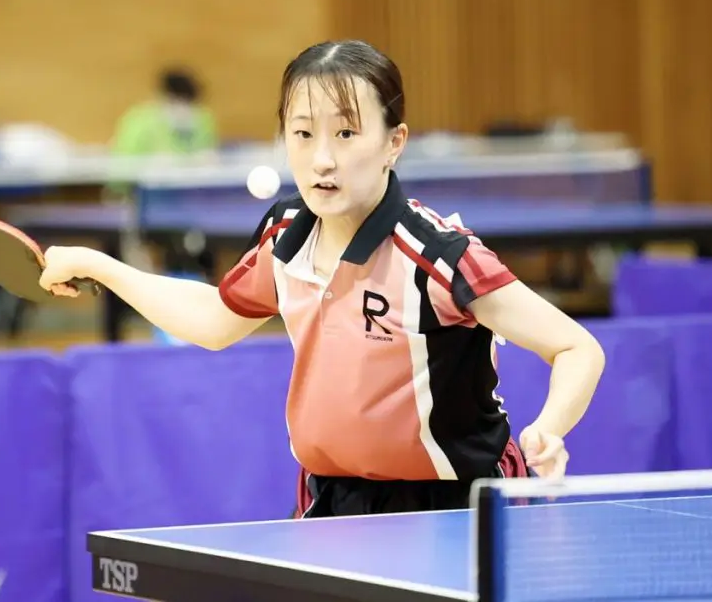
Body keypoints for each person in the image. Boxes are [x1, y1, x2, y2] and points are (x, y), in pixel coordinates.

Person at [36, 40, 606, 518]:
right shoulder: (287, 236)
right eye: (303, 134)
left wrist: (550, 428)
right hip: (330, 501)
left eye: (346, 134)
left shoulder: (438, 256)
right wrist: (99, 265)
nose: (322, 160)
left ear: (394, 143)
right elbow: (213, 321)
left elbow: (576, 347)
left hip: (454, 505)